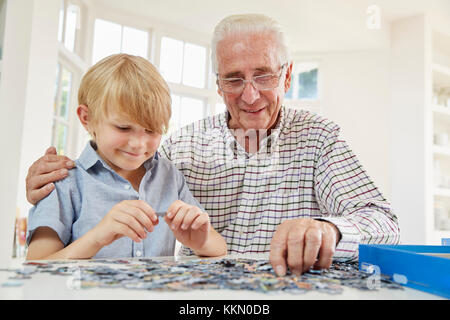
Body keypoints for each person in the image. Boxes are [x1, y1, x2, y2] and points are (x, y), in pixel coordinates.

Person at [25, 14, 399, 275]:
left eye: (264, 75)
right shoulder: (178, 149)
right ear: (217, 84)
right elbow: (114, 163)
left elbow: (385, 223)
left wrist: (328, 229)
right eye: (234, 79)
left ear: (287, 76)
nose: (250, 95)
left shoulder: (320, 138)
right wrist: (49, 180)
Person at [25, 53, 227, 260]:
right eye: (123, 127)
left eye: (151, 130)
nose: (138, 144)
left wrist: (201, 241)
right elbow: (35, 266)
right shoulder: (63, 182)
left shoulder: (169, 176)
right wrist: (97, 237)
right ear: (87, 118)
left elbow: (218, 247)